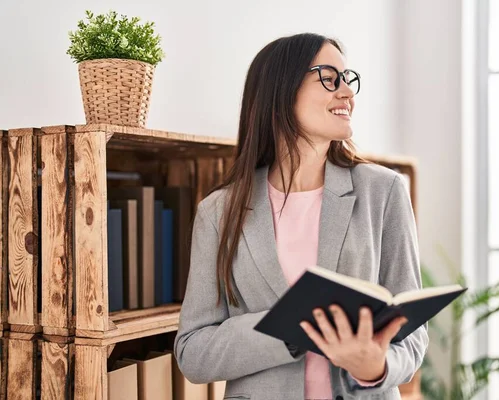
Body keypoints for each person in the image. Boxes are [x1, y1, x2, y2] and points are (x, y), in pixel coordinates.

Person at [173, 32, 428, 400]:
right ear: (281, 91)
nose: (347, 94)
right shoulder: (218, 211)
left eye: (348, 79)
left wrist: (377, 366)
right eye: (329, 78)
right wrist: (291, 327)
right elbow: (193, 352)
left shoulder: (383, 191)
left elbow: (412, 333)